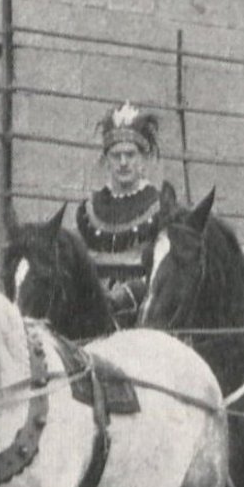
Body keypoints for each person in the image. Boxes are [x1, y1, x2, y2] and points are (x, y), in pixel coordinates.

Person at [74, 101, 177, 328]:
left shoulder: (160, 206)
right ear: (107, 160)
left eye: (130, 155)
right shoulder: (88, 210)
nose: (123, 163)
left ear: (142, 158)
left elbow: (166, 270)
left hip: (145, 313)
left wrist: (127, 295)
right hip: (95, 312)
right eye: (116, 155)